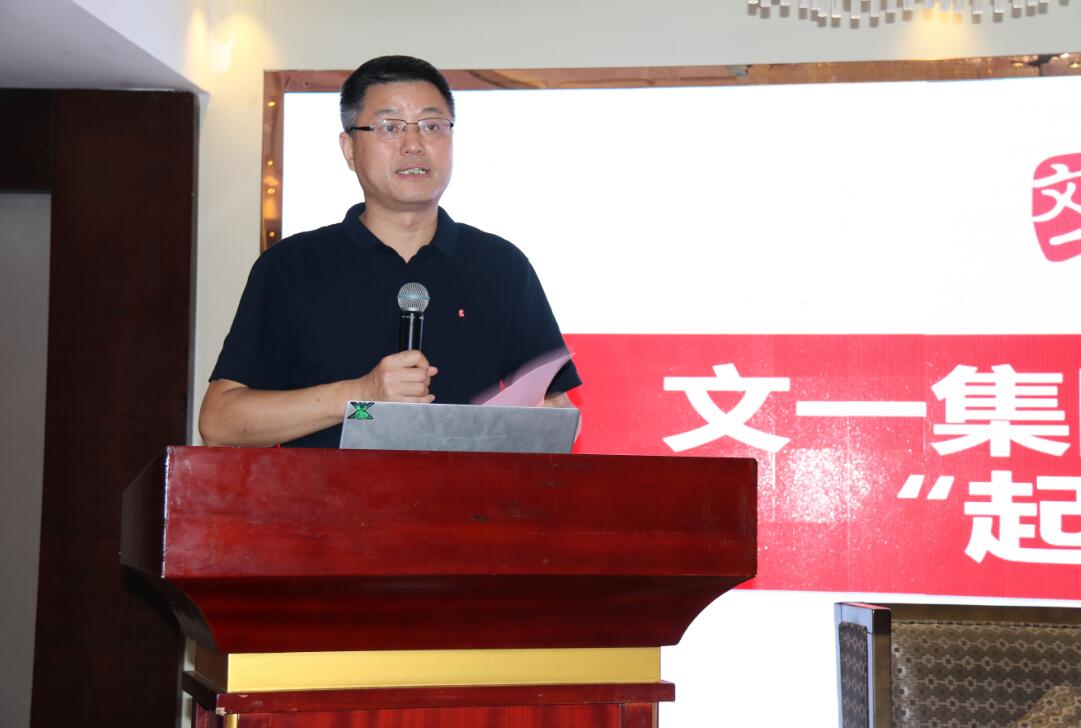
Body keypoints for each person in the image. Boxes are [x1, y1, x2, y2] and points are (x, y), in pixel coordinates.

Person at [199, 55, 580, 448]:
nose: (414, 144)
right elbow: (220, 423)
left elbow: (556, 406)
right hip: (328, 491)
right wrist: (362, 394)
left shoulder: (501, 267)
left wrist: (548, 423)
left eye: (432, 126)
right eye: (390, 127)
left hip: (464, 490)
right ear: (349, 149)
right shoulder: (291, 266)